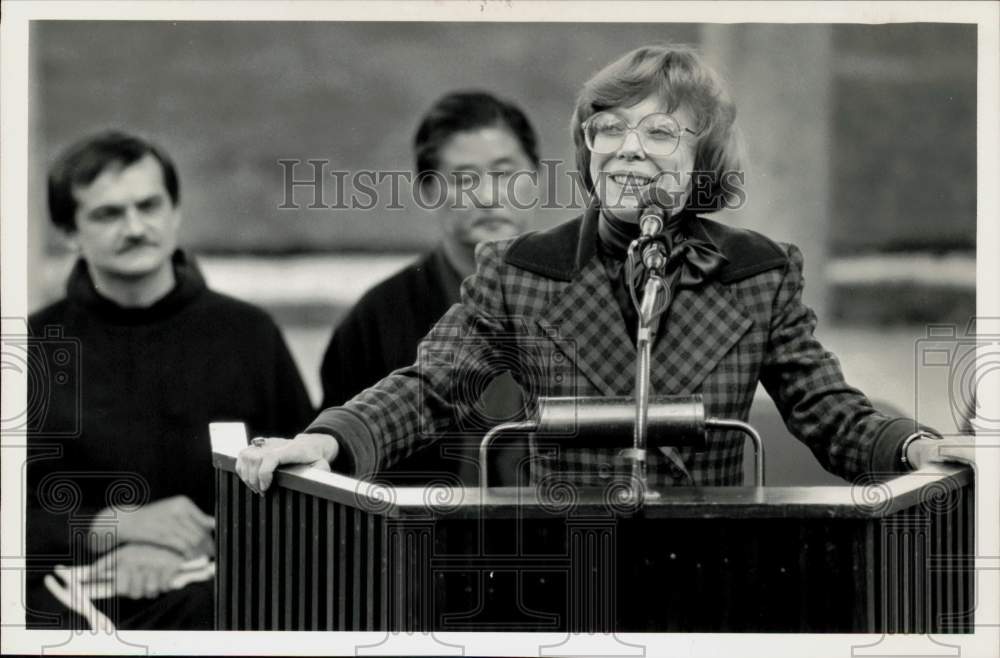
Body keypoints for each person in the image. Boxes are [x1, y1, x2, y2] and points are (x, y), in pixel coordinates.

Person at [237, 44, 974, 494]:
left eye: (659, 131)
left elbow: (825, 407)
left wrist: (913, 444)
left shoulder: (759, 273)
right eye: (607, 129)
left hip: (713, 563)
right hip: (565, 559)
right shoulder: (523, 270)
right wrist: (328, 439)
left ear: (703, 158)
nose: (626, 149)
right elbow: (431, 390)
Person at [26, 131, 315, 629]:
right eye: (107, 214)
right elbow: (15, 511)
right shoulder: (35, 347)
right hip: (72, 601)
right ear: (69, 233)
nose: (135, 228)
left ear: (176, 212)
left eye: (149, 205)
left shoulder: (247, 334)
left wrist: (200, 541)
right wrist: (114, 525)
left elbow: (306, 488)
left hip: (220, 593)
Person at [318, 91, 538, 483]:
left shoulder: (577, 294)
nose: (488, 196)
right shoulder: (375, 320)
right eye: (464, 179)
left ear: (536, 177)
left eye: (504, 173)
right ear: (428, 190)